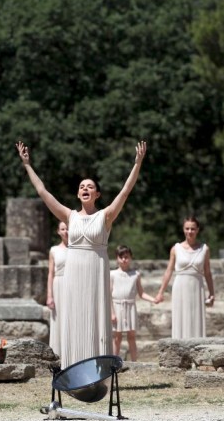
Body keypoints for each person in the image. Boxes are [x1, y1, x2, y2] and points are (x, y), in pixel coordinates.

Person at [16, 140, 146, 368]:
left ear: (97, 194)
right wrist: (27, 165)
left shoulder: (106, 216)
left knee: (96, 316)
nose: (85, 188)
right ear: (78, 194)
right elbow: (42, 191)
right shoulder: (69, 216)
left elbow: (125, 192)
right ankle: (72, 365)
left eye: (90, 187)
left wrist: (137, 163)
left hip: (96, 272)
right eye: (82, 187)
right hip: (74, 275)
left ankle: (98, 366)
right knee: (75, 316)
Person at [155, 216, 215, 339]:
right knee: (181, 317)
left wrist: (212, 293)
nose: (189, 232)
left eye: (192, 229)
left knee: (196, 317)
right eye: (187, 228)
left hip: (197, 287)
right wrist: (160, 292)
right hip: (180, 286)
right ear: (183, 229)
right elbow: (169, 271)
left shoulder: (204, 249)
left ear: (197, 230)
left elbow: (208, 273)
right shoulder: (176, 248)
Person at [110, 245, 155, 361]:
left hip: (130, 307)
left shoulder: (136, 274)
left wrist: (153, 299)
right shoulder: (112, 274)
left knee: (131, 336)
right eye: (121, 257)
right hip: (117, 306)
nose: (124, 260)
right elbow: (108, 295)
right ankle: (113, 362)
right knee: (117, 337)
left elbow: (141, 293)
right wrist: (112, 313)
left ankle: (134, 362)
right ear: (117, 258)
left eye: (126, 257)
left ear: (131, 258)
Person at [46, 222, 68, 357]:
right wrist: (49, 296)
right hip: (58, 284)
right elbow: (50, 273)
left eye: (68, 229)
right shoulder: (54, 250)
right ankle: (57, 354)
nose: (66, 231)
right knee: (58, 319)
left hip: (74, 285)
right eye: (63, 229)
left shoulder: (78, 249)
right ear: (58, 231)